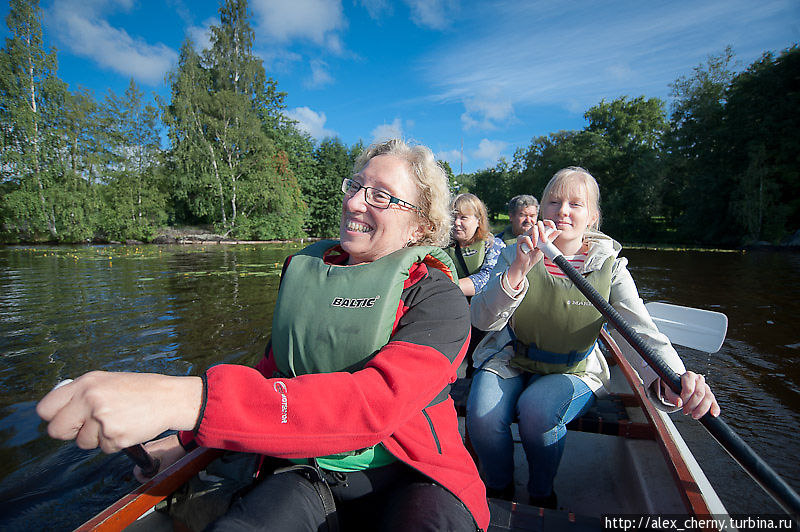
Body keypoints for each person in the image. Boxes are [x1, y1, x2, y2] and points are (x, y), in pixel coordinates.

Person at [37, 139, 490, 532]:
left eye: (382, 196)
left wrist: (183, 401)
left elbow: (374, 405)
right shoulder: (310, 280)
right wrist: (186, 440)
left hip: (414, 475)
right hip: (308, 469)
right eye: (355, 186)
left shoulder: (439, 299)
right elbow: (271, 375)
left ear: (421, 227)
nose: (355, 203)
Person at [465, 166, 719, 509]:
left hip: (575, 368)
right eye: (554, 201)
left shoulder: (610, 266)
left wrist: (672, 376)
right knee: (481, 417)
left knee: (537, 411)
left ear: (593, 217)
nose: (563, 210)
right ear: (542, 209)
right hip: (511, 358)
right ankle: (499, 488)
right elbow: (481, 318)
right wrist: (517, 271)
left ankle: (541, 495)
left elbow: (639, 330)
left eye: (576, 204)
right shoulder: (514, 253)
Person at [444, 193, 505, 298]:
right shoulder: (441, 246)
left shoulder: (493, 246)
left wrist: (443, 288)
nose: (457, 222)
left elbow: (489, 279)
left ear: (478, 221)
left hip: (482, 308)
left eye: (463, 217)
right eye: (453, 217)